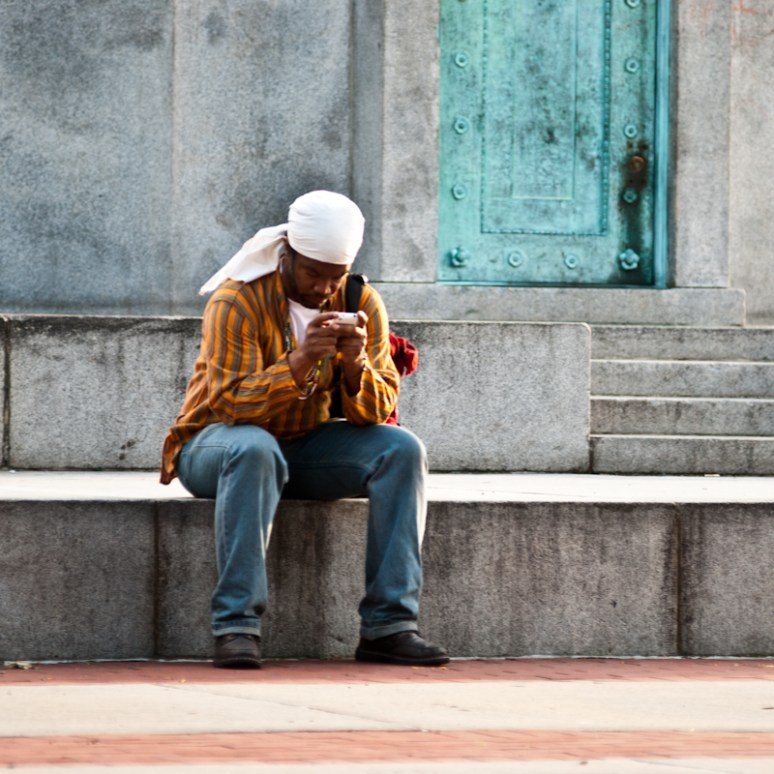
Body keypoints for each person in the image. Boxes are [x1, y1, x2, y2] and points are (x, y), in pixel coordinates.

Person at [160, 190, 448, 669]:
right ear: (287, 254)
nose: (323, 287)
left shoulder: (360, 301)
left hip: (303, 450)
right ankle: (236, 625)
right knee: (254, 448)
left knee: (401, 450)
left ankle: (389, 626)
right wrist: (301, 360)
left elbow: (377, 412)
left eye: (334, 276)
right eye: (313, 273)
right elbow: (231, 403)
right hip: (215, 447)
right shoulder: (238, 299)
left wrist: (355, 365)